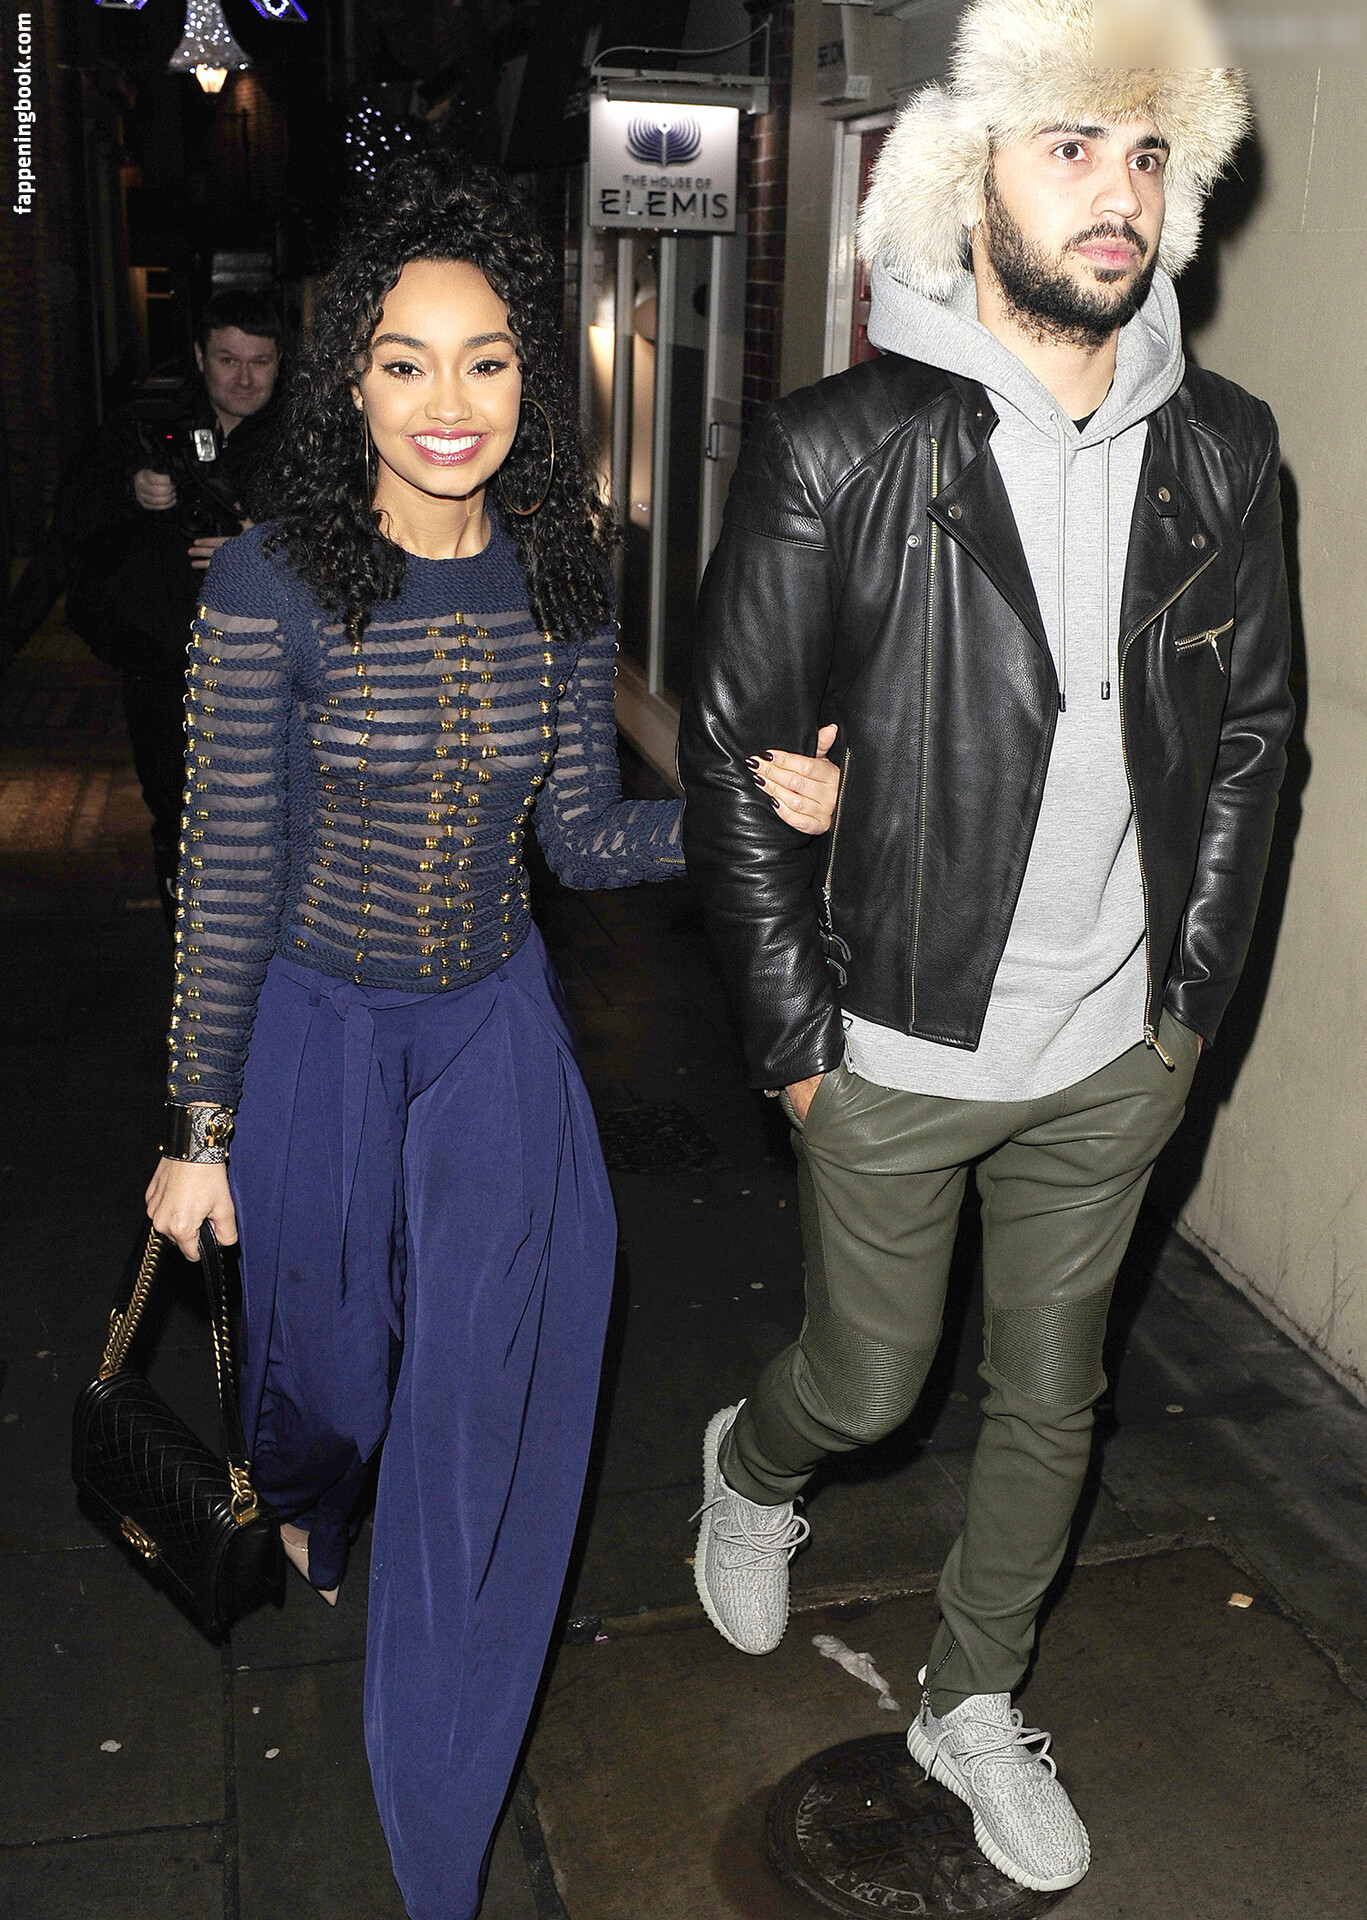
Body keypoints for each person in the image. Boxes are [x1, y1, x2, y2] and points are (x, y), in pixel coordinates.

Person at [143, 154, 839, 1920]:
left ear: (532, 375)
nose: (445, 401)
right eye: (403, 361)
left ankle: (437, 1832)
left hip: (492, 1034)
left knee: (493, 1410)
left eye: (484, 360)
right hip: (317, 1029)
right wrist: (199, 1127)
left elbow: (581, 841)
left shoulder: (556, 578)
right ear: (351, 383)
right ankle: (308, 1485)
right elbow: (227, 873)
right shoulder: (270, 589)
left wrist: (746, 811)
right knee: (328, 1384)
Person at [679, 0, 1292, 1895]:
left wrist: (1184, 1010)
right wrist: (798, 1049)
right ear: (968, 187)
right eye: (1069, 146)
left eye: (1144, 154)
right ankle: (750, 1468)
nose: (1117, 192)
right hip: (891, 1045)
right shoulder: (838, 453)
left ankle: (970, 1696)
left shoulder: (1224, 452)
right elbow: (730, 757)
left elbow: (1252, 739)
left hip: (1110, 1060)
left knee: (1053, 1395)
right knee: (868, 1387)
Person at [60, 291, 284, 923]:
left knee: (268, 825)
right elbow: (74, 516)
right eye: (228, 360)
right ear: (200, 357)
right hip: (165, 671)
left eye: (260, 361)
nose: (244, 378)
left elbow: (359, 539)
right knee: (178, 818)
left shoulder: (307, 439)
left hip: (269, 677)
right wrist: (130, 489)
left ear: (280, 362)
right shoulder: (144, 425)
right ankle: (190, 948)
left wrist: (267, 546)